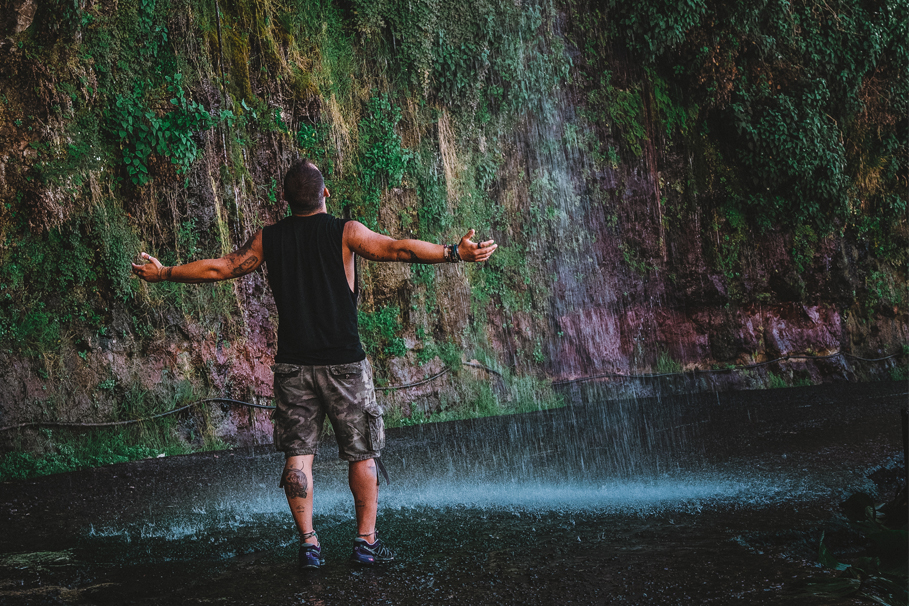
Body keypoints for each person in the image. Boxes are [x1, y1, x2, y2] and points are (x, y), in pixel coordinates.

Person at [131, 159, 497, 568]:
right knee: (362, 455)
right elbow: (397, 249)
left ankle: (309, 544)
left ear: (284, 199)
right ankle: (365, 543)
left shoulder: (269, 239)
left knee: (298, 457)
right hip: (344, 364)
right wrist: (453, 253)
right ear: (325, 193)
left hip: (293, 368)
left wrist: (164, 273)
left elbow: (222, 267)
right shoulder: (346, 232)